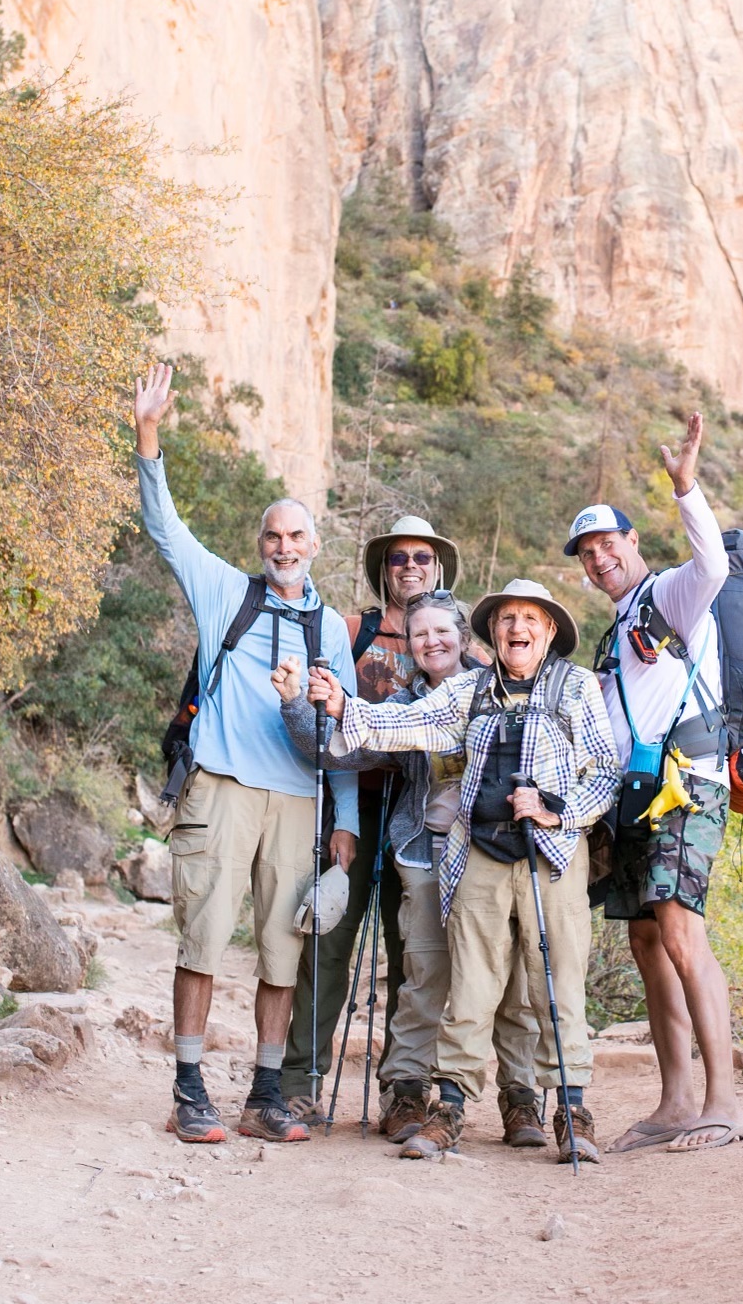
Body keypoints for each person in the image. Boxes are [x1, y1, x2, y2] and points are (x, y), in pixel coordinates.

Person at [294, 579, 621, 1164]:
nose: (517, 629)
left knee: (557, 986)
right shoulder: (469, 691)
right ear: (492, 631)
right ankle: (449, 1110)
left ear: (549, 631)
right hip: (479, 855)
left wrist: (556, 811)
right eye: (506, 619)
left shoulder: (575, 689)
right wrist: (347, 707)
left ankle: (571, 1110)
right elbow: (411, 724)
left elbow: (602, 771)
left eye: (530, 620)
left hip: (555, 856)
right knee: (469, 988)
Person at [133, 363, 359, 1145]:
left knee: (280, 952)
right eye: (273, 535)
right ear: (260, 545)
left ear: (315, 545)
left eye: (296, 536)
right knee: (201, 939)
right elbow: (165, 529)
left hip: (299, 800)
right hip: (222, 788)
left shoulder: (332, 629)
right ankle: (188, 1088)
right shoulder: (227, 591)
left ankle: (265, 1097)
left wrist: (347, 822)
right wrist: (148, 433)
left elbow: (344, 735)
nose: (284, 546)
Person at [277, 591, 544, 1146]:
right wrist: (298, 706)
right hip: (424, 850)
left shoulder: (502, 690)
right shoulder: (403, 704)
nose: (431, 642)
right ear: (410, 645)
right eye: (419, 634)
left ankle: (521, 1099)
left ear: (464, 637)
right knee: (423, 976)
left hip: (495, 852)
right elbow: (338, 750)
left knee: (512, 979)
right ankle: (406, 1092)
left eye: (441, 632)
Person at [563, 411, 743, 1154]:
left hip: (688, 786)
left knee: (680, 929)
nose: (598, 558)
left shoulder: (674, 593)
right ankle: (676, 1100)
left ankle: (726, 1103)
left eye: (607, 543)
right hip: (639, 801)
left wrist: (686, 487)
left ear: (631, 542)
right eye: (586, 552)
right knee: (647, 938)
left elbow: (714, 566)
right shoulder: (619, 625)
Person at [280, 514, 459, 1120]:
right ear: (383, 569)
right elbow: (328, 727)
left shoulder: (457, 643)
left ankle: (403, 1091)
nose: (410, 567)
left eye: (421, 558)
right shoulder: (351, 631)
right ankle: (299, 1081)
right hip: (353, 803)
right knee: (330, 938)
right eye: (398, 558)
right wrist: (347, 818)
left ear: (437, 568)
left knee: (413, 950)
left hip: (421, 814)